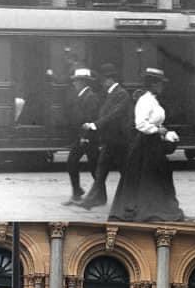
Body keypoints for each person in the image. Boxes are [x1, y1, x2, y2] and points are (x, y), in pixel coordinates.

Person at [108, 67, 186, 222]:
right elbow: (141, 124)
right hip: (145, 145)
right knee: (150, 178)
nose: (162, 86)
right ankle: (152, 211)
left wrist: (165, 132)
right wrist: (161, 131)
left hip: (153, 143)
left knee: (161, 176)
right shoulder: (145, 100)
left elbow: (155, 123)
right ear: (153, 84)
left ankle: (165, 209)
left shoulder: (153, 99)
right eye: (160, 83)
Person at [78, 63, 133, 210]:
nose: (102, 83)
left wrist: (95, 125)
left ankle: (133, 199)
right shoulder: (111, 94)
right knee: (101, 169)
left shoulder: (121, 94)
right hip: (111, 139)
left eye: (103, 80)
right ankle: (93, 199)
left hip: (119, 140)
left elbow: (113, 115)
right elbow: (106, 114)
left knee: (124, 172)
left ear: (110, 79)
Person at [63, 69, 101, 206]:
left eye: (77, 80)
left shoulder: (90, 96)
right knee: (76, 163)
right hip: (82, 136)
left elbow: (90, 118)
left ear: (83, 82)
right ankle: (78, 192)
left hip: (88, 137)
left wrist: (85, 136)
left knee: (93, 165)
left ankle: (97, 195)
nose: (74, 83)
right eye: (74, 80)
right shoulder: (81, 95)